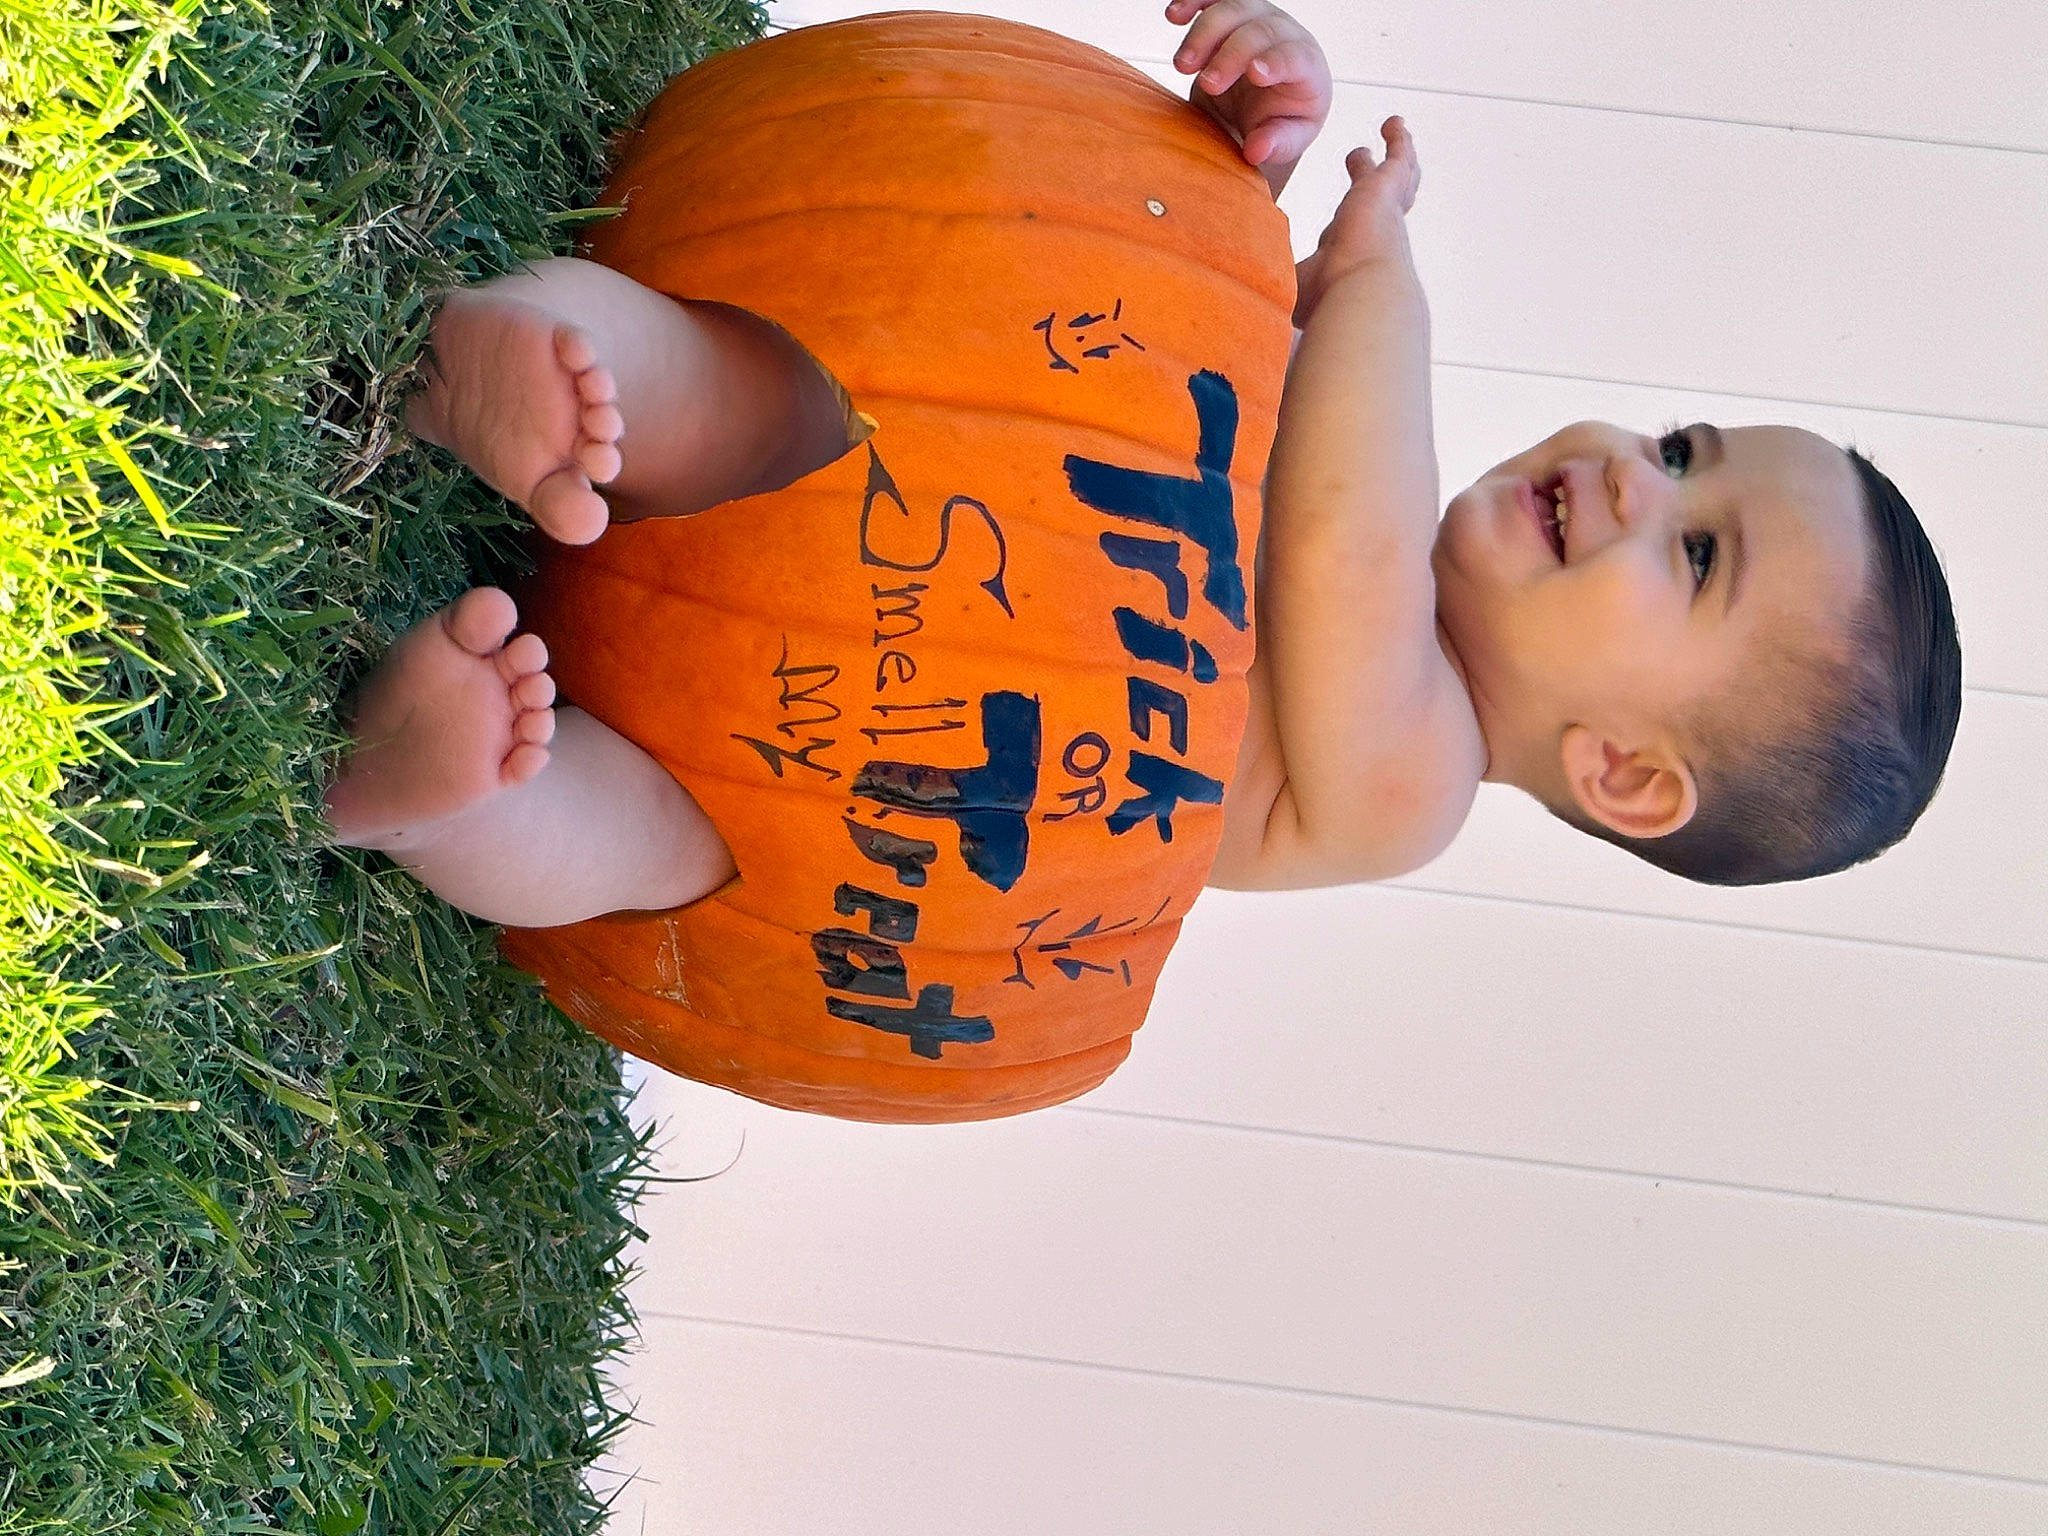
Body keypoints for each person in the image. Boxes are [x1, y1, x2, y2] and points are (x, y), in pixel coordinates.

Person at [322, 0, 1961, 925]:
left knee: (659, 847)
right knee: (745, 395)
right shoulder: (1375, 453)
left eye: (1694, 553)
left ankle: (463, 787)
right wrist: (1254, 153)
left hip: (853, 761)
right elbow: (1206, 300)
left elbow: (1335, 554)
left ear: (1623, 775)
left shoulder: (1410, 790)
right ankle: (544, 363)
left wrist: (1376, 272)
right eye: (1686, 451)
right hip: (872, 503)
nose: (1635, 477)